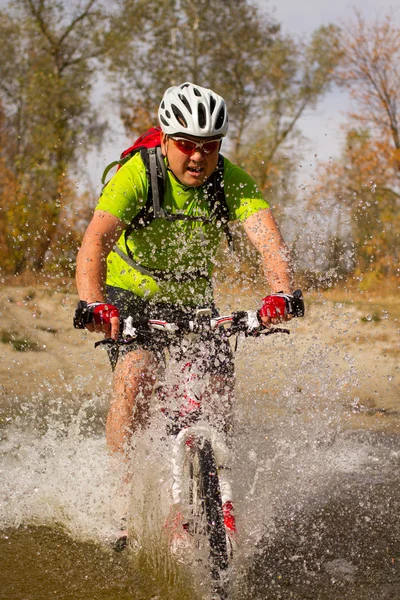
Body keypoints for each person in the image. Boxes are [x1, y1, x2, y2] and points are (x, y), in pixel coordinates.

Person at [75, 82, 297, 550]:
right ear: (165, 139)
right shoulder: (138, 174)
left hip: (193, 298)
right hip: (129, 291)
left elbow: (269, 242)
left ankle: (219, 490)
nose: (198, 157)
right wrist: (94, 303)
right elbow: (94, 243)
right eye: (186, 145)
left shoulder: (230, 180)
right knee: (136, 373)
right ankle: (120, 498)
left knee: (218, 387)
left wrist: (279, 293)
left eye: (209, 146)